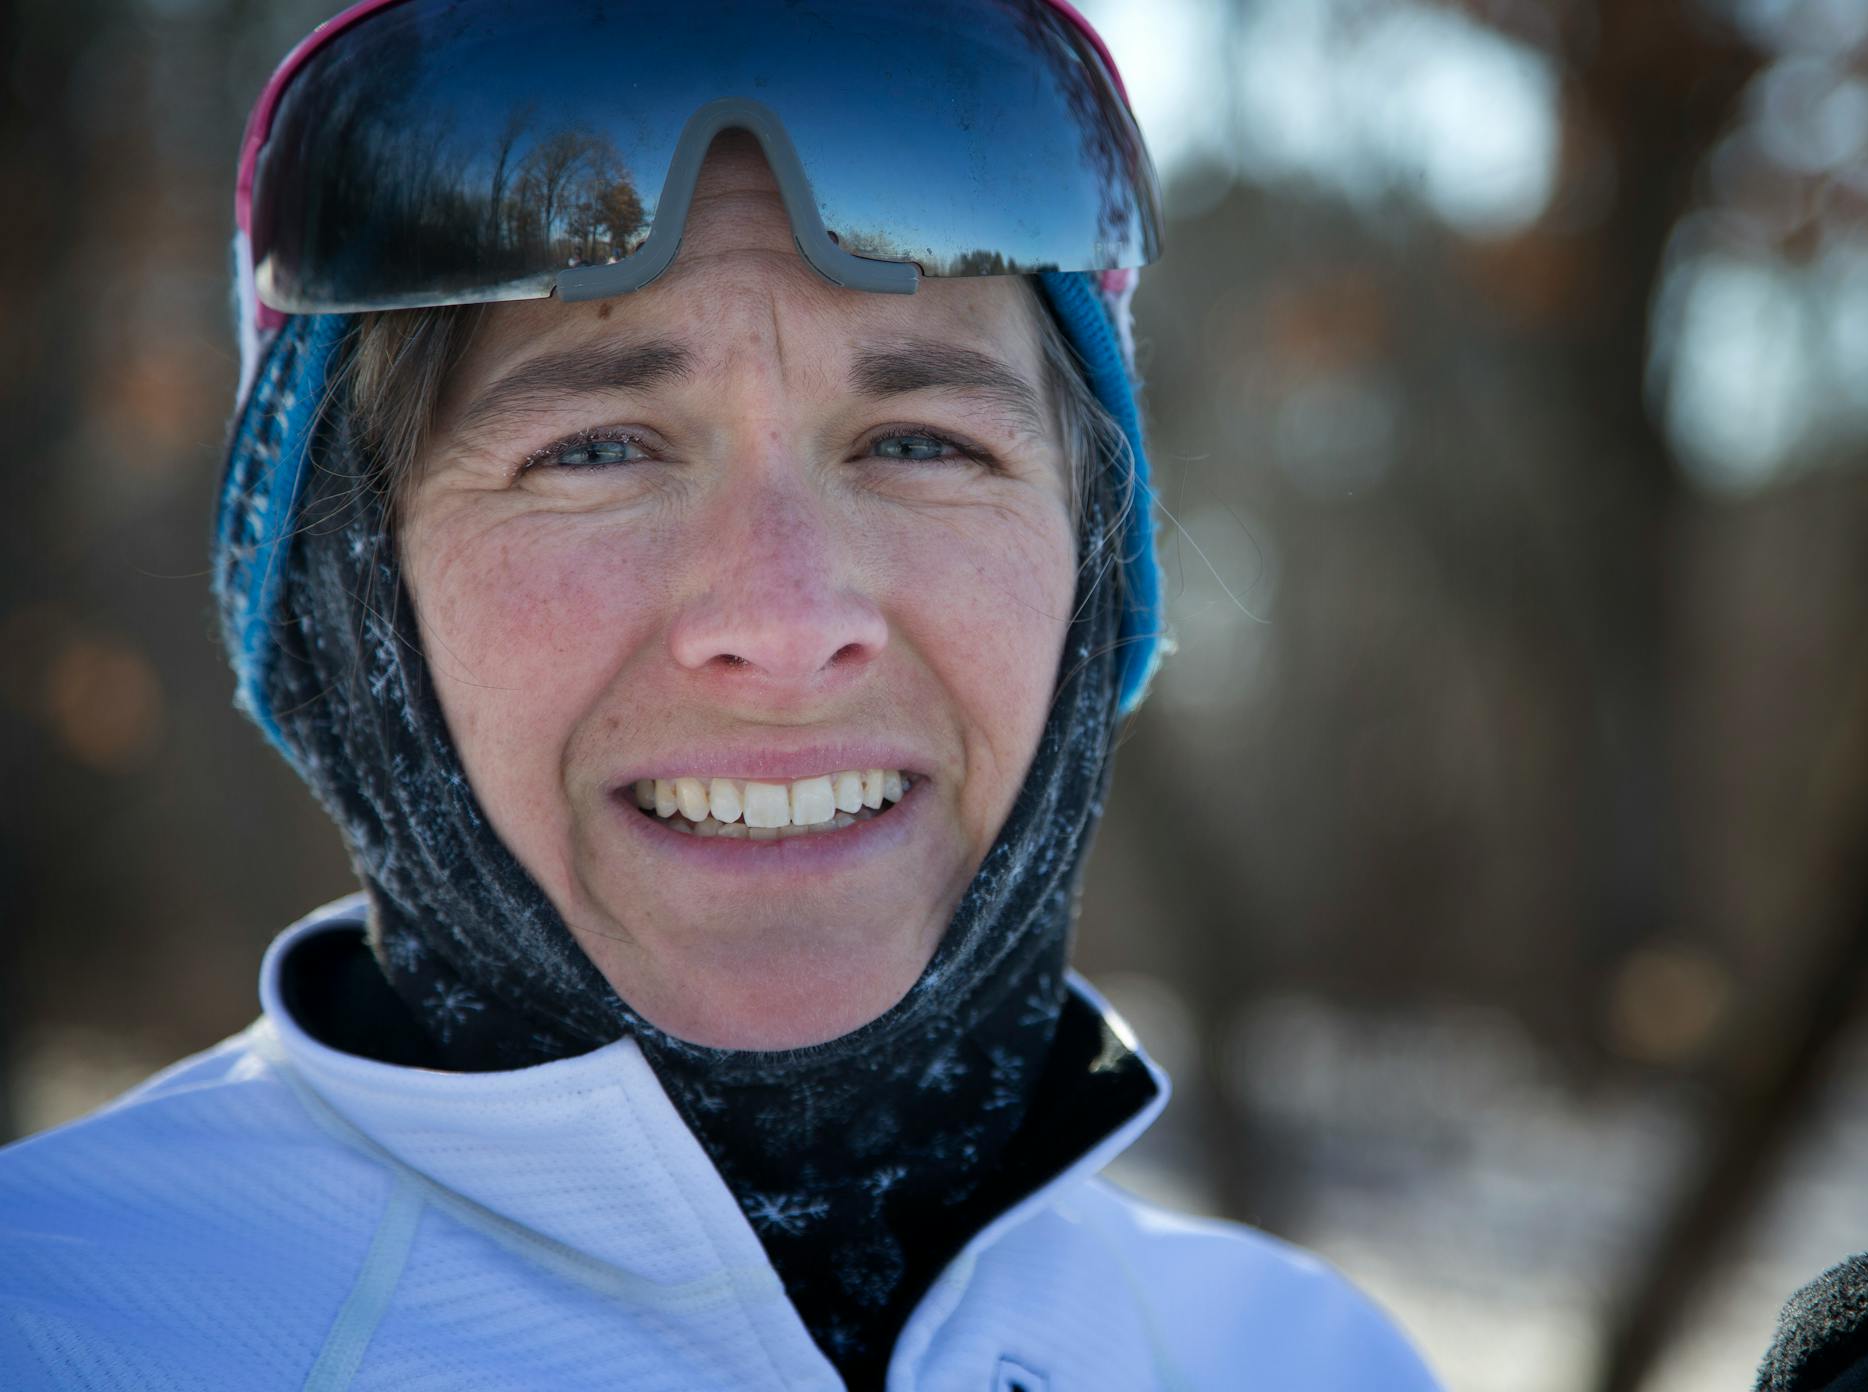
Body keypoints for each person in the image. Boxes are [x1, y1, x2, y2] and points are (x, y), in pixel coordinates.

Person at [0, 2, 1442, 1388]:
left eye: (922, 443)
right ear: (353, 591)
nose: (787, 621)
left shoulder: (1301, 1362)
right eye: (597, 448)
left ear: (1092, 563)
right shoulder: (59, 1325)